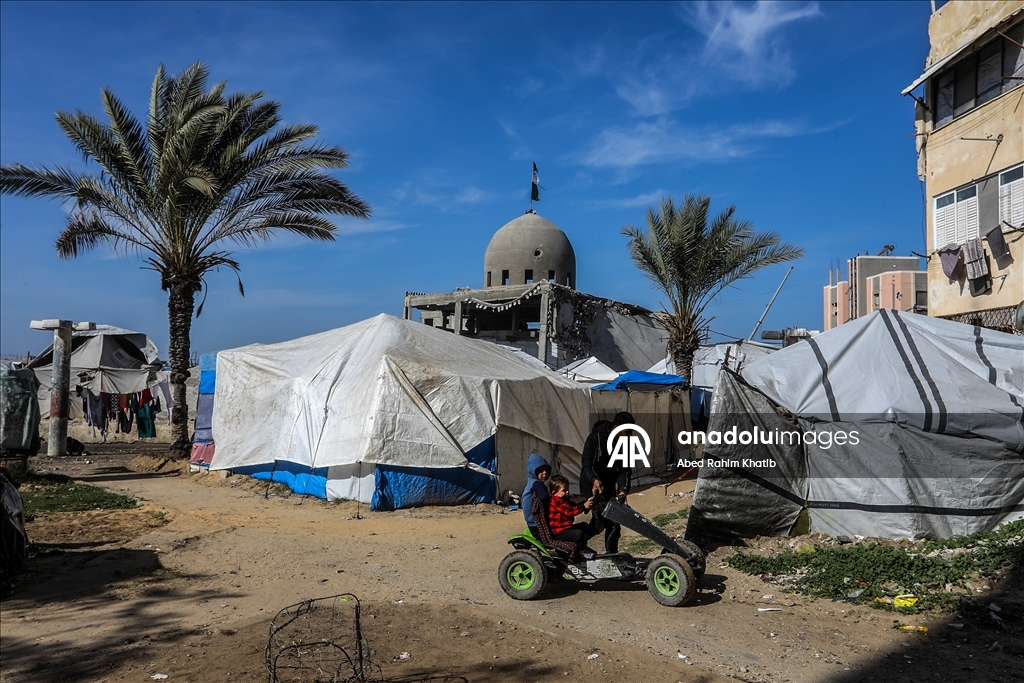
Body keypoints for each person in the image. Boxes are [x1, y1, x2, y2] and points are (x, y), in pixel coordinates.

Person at [580, 412, 635, 553]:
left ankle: (612, 556)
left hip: (609, 487)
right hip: (593, 486)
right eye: (627, 432)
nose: (629, 436)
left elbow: (625, 470)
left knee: (614, 524)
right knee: (599, 523)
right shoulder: (595, 439)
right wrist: (595, 480)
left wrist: (623, 490)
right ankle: (575, 543)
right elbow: (587, 465)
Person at [546, 475, 595, 548]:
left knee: (584, 526)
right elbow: (569, 511)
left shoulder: (563, 500)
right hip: (559, 532)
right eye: (564, 490)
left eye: (567, 489)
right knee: (578, 533)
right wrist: (583, 506)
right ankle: (580, 550)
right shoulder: (556, 501)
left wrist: (585, 502)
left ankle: (582, 544)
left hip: (566, 528)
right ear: (554, 492)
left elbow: (573, 506)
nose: (567, 492)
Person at [521, 453, 551, 538]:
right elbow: (544, 497)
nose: (545, 473)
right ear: (533, 471)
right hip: (537, 524)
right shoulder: (537, 484)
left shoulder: (530, 482)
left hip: (531, 523)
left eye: (546, 470)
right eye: (541, 471)